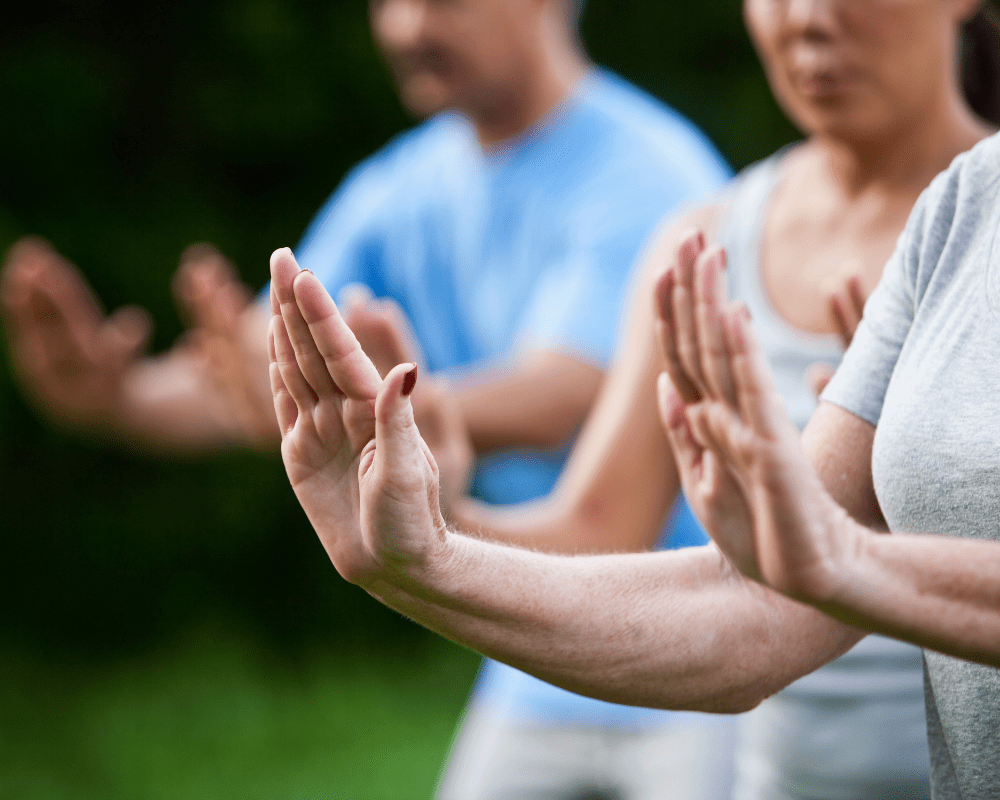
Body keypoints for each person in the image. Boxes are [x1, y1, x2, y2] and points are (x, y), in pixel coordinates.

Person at [262, 2, 1000, 799]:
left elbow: (805, 572)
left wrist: (856, 552)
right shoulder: (946, 218)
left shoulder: (653, 166)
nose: (807, 17)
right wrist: (423, 543)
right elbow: (751, 605)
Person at [0, 0, 736, 797]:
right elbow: (277, 374)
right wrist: (120, 401)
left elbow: (570, 386)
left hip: (700, 640)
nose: (405, 27)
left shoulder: (653, 171)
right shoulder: (400, 187)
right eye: (390, 0)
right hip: (534, 649)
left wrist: (374, 410)